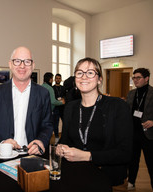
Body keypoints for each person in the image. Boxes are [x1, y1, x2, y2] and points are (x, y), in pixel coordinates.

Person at [56, 57, 133, 187]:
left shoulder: (117, 106)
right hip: (74, 174)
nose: (84, 77)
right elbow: (65, 140)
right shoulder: (70, 107)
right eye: (79, 73)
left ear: (99, 79)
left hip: (104, 177)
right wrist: (61, 147)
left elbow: (125, 153)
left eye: (90, 72)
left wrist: (88, 156)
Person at [0, 46, 53, 155]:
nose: (22, 65)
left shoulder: (43, 93)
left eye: (27, 61)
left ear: (33, 65)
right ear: (10, 64)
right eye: (17, 61)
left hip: (32, 155)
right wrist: (1, 142)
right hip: (3, 155)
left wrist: (41, 141)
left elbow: (47, 125)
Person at [126, 68, 153, 192]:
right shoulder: (131, 93)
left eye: (138, 77)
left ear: (146, 78)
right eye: (134, 78)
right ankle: (131, 182)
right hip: (133, 133)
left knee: (152, 163)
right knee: (132, 161)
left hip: (149, 134)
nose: (135, 80)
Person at [42, 73, 65, 143]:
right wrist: (61, 102)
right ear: (51, 79)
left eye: (59, 78)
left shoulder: (41, 86)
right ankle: (55, 139)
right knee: (54, 125)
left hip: (61, 109)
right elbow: (53, 101)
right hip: (53, 109)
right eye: (54, 78)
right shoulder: (51, 88)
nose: (56, 79)